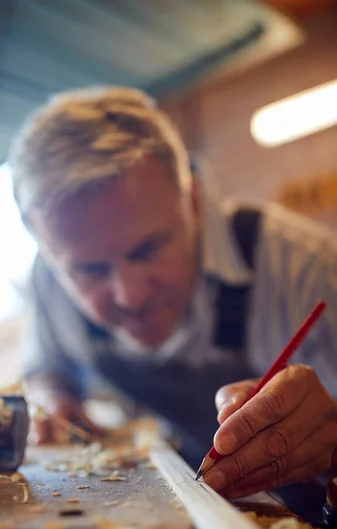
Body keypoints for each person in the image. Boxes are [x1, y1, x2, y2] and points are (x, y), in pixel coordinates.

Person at [8, 86, 337, 499]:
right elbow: (47, 368)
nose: (131, 296)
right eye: (90, 270)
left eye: (147, 250)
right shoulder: (48, 276)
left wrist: (331, 442)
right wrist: (53, 400)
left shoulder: (309, 269)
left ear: (195, 202)